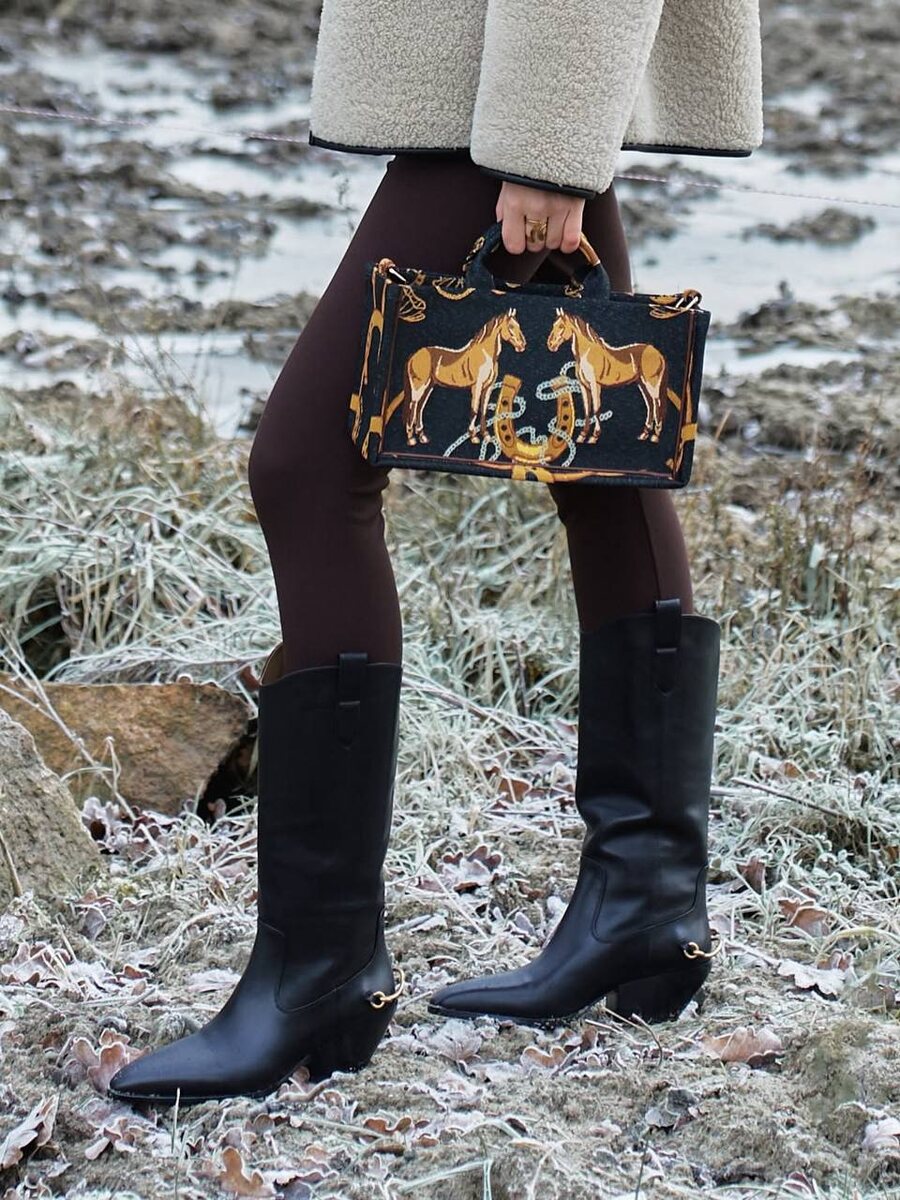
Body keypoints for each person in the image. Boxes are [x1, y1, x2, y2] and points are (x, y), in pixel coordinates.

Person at [109, 0, 764, 1104]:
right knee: (601, 437)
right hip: (516, 79)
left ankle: (320, 969)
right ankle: (645, 903)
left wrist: (545, 148)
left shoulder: (525, 128)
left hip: (507, 93)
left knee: (306, 468)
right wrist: (555, 133)